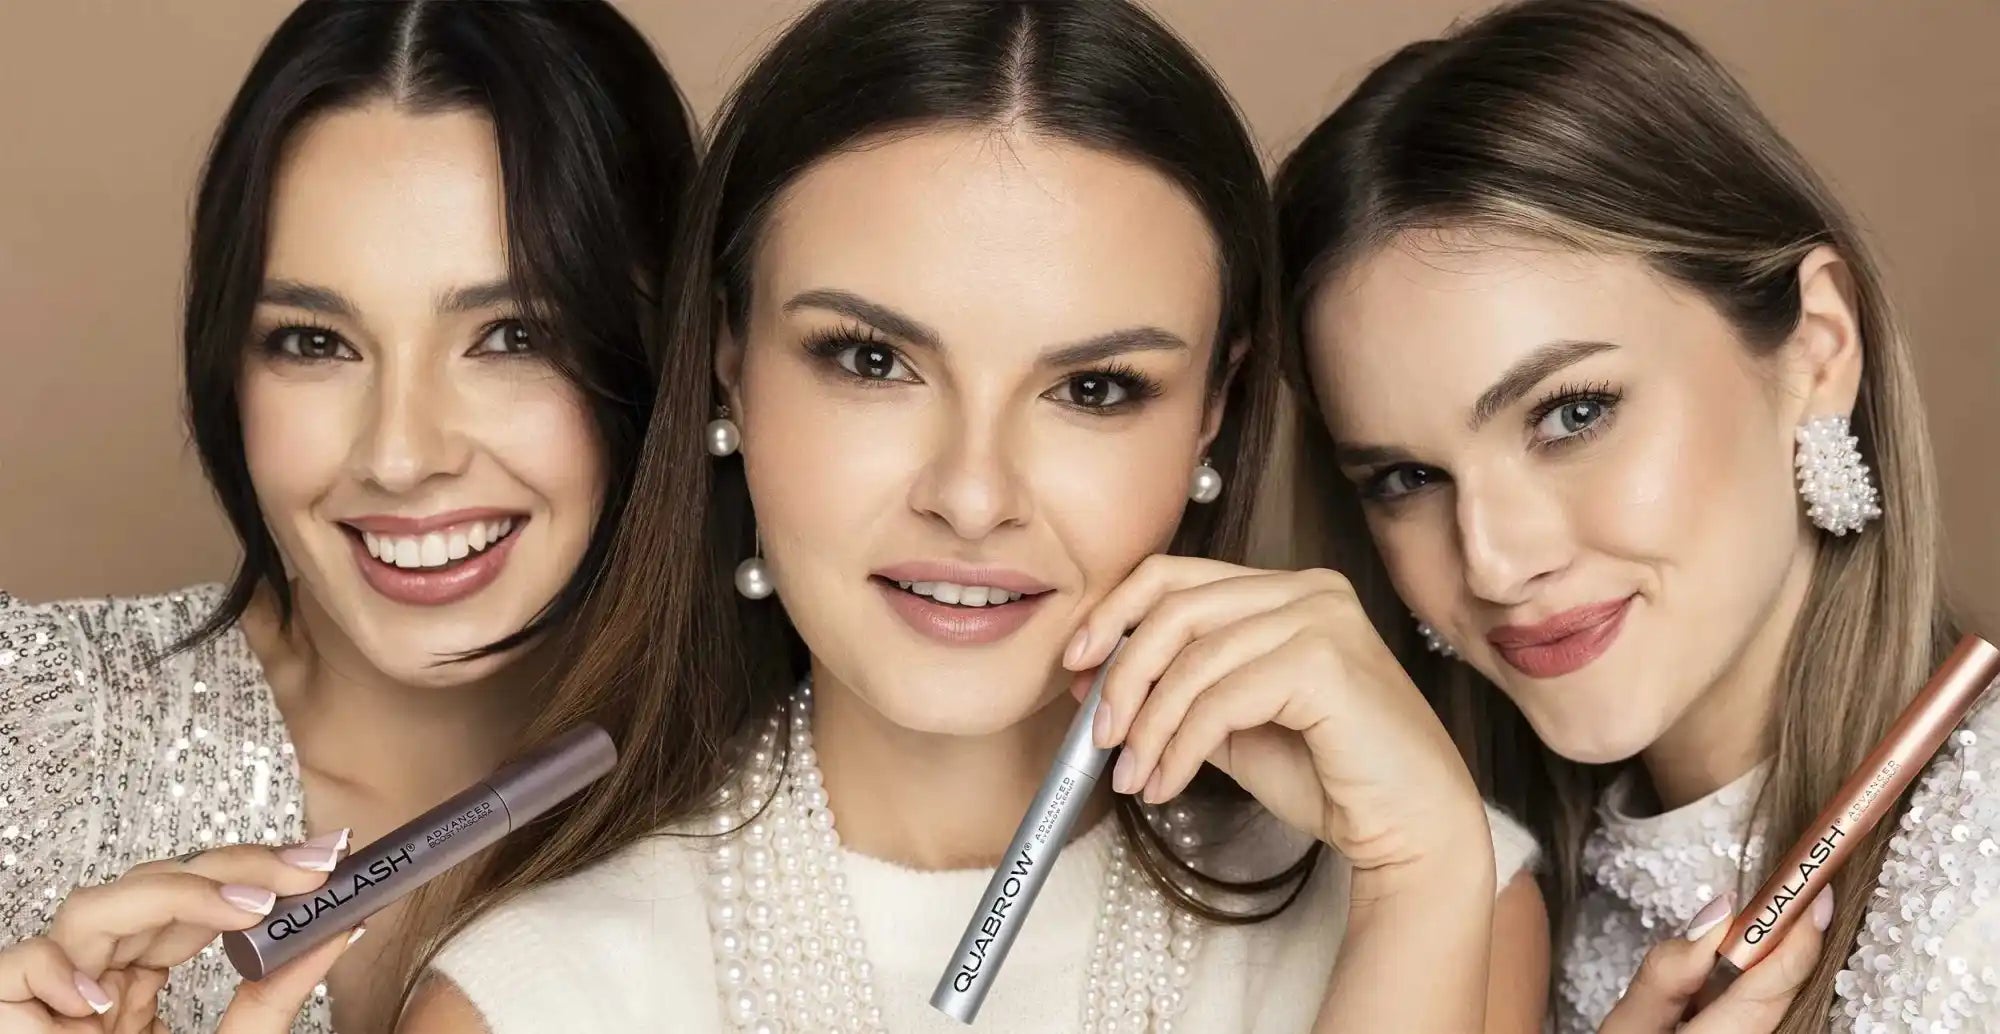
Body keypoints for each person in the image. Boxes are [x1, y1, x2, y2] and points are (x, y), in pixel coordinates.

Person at [397, 3, 1548, 1032]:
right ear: (728, 363)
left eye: (1093, 387)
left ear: (1213, 410)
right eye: (871, 359)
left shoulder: (1432, 888)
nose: (972, 494)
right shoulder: (530, 998)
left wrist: (1419, 883)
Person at [1275, 1, 1989, 1031]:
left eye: (1572, 413)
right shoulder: (1470, 917)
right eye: (1406, 478)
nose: (1493, 560)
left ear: (1819, 347)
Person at [0, 2, 698, 1031]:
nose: (400, 456)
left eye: (513, 335)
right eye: (315, 342)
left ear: (673, 350)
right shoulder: (22, 729)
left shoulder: (806, 808)